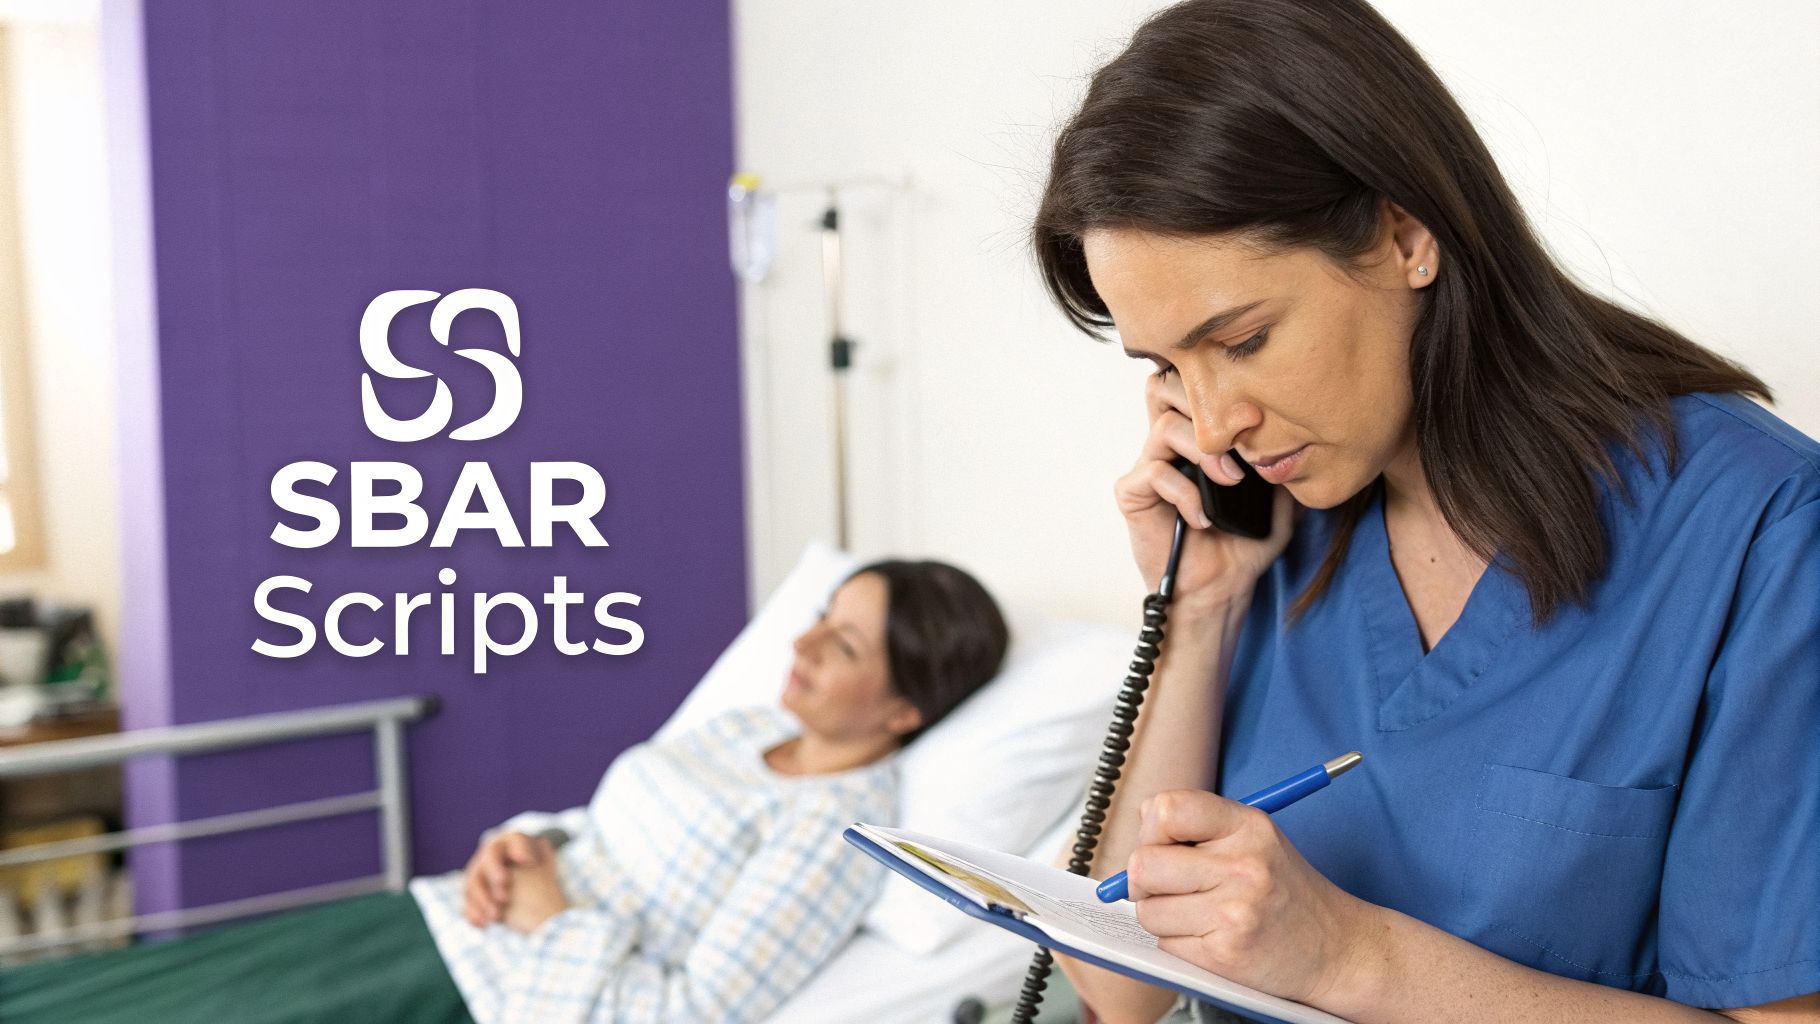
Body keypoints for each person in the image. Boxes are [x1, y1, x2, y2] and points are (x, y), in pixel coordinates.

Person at [1028, 2, 1819, 1022]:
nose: (1214, 425)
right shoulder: (1274, 524)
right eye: (1167, 366)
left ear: (1403, 236)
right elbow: (1116, 987)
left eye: (1242, 339)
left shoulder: (1754, 531)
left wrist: (1349, 955)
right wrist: (1191, 613)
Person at [410, 559, 1009, 1024]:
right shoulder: (753, 726)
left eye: (844, 645)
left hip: (507, 988)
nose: (803, 643)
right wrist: (527, 844)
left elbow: (694, 1012)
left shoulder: (834, 830)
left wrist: (551, 924)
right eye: (822, 615)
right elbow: (603, 823)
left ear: (904, 710)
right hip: (456, 916)